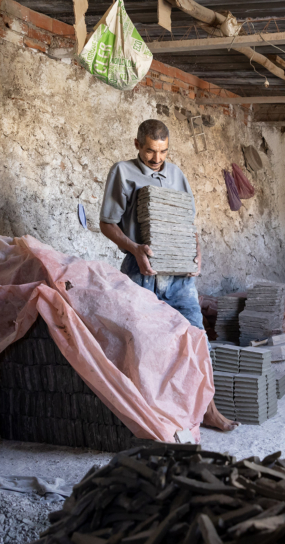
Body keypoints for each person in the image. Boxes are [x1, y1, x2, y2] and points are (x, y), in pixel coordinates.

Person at [99, 119, 236, 431]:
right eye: (149, 151)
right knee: (143, 347)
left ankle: (209, 411)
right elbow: (107, 223)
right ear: (137, 145)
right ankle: (149, 419)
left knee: (197, 340)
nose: (156, 158)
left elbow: (187, 224)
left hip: (180, 277)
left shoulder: (176, 175)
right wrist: (134, 249)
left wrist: (196, 254)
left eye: (162, 151)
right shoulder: (122, 172)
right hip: (140, 271)